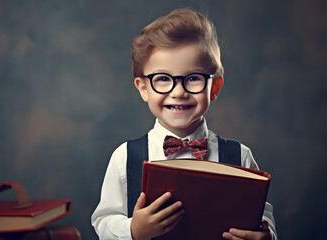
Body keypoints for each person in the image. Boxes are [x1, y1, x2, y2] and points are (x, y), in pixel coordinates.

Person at [91, 8, 277, 240]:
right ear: (143, 88)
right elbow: (103, 220)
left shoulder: (240, 155)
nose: (178, 92)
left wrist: (265, 235)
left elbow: (262, 216)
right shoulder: (124, 157)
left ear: (215, 88)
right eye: (162, 79)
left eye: (193, 78)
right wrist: (132, 230)